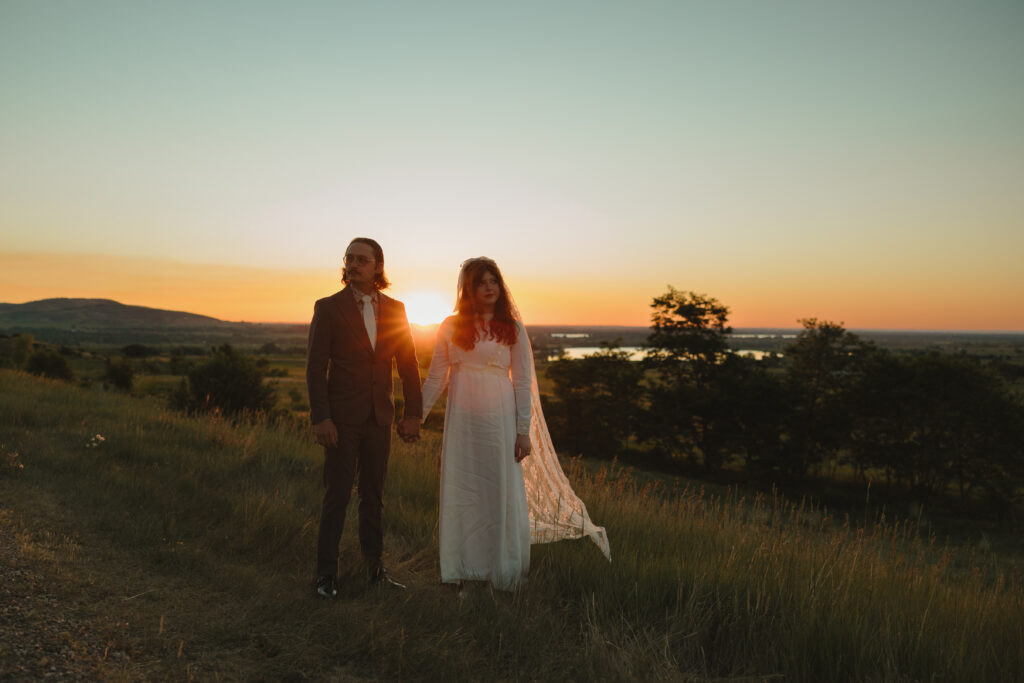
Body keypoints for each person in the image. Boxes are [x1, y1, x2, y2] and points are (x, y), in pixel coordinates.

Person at [421, 257, 610, 592]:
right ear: (469, 288)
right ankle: (465, 571)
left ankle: (500, 572)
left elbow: (523, 382)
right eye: (481, 282)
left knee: (497, 491)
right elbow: (437, 376)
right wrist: (415, 417)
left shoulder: (512, 327)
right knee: (464, 493)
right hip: (462, 422)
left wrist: (523, 430)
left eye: (494, 280)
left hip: (499, 422)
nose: (489, 287)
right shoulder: (450, 326)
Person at [306, 237, 423, 598]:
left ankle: (374, 569)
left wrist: (413, 414)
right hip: (341, 419)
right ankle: (326, 576)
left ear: (377, 267)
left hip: (379, 419)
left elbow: (408, 366)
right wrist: (321, 418)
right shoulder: (328, 308)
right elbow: (315, 367)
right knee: (337, 496)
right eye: (349, 258)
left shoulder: (397, 309)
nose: (353, 264)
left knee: (374, 498)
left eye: (361, 259)